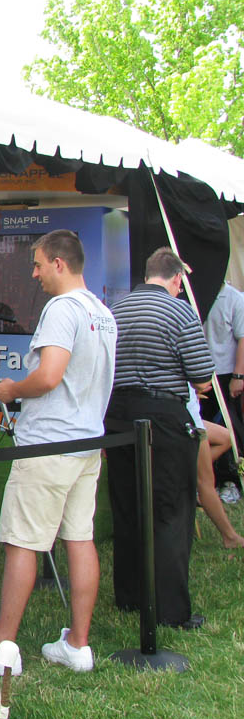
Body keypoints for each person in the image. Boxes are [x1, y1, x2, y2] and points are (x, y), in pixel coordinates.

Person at [0, 229, 117, 676]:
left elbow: (48, 376)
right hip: (86, 441)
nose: (35, 272)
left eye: (38, 263)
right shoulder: (103, 313)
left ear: (60, 264)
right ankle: (77, 645)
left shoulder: (62, 309)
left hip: (50, 441)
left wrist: (11, 390)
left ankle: (0, 646)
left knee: (22, 542)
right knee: (79, 539)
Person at [104, 247, 215, 630]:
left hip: (118, 415)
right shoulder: (180, 310)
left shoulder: (116, 309)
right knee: (170, 510)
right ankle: (171, 609)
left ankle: (130, 596)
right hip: (163, 416)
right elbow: (201, 374)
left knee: (127, 505)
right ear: (176, 279)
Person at [199, 281, 244, 500]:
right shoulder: (194, 294)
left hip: (225, 375)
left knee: (228, 427)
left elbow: (242, 338)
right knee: (203, 430)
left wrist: (238, 375)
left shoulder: (235, 298)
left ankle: (230, 481)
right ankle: (209, 479)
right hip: (200, 377)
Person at [188, 386, 244, 548]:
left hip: (189, 411)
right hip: (184, 418)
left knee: (225, 437)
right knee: (205, 482)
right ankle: (230, 537)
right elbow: (202, 381)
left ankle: (183, 472)